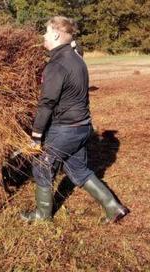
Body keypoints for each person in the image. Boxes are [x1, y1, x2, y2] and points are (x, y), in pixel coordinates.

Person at [21, 16, 130, 223]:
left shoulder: (57, 64)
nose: (43, 36)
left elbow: (47, 103)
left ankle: (42, 215)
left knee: (42, 166)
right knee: (78, 169)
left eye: (45, 31)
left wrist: (36, 136)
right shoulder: (77, 58)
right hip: (82, 127)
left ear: (55, 34)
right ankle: (113, 207)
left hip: (64, 130)